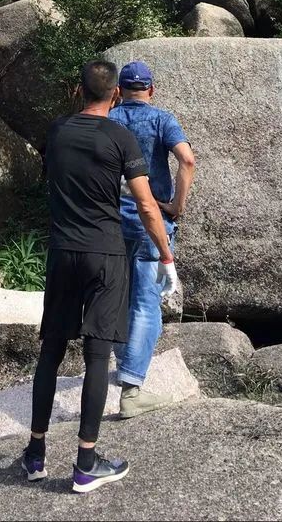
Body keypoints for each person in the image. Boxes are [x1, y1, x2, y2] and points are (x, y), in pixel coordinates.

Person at [22, 60, 177, 495]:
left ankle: (35, 455)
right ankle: (86, 464)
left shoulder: (57, 131)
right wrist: (167, 259)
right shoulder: (120, 137)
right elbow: (147, 206)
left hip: (62, 252)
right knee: (96, 357)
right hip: (105, 255)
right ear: (113, 96)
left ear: (77, 89)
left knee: (50, 352)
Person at [109, 61, 195, 419]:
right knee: (147, 302)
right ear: (151, 90)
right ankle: (131, 389)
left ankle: (122, 362)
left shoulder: (108, 120)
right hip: (152, 222)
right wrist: (176, 205)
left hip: (110, 222)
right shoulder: (162, 119)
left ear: (119, 91)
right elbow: (187, 160)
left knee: (117, 297)